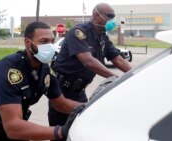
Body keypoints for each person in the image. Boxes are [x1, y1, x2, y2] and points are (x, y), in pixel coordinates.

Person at [0, 21, 85, 141]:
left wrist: (89, 107)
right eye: (43, 41)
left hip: (14, 131)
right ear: (28, 42)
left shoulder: (44, 69)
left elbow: (61, 104)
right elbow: (13, 127)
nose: (49, 46)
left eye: (51, 41)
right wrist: (60, 131)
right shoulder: (10, 68)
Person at [49, 2, 132, 135]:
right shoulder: (79, 32)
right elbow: (88, 61)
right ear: (96, 16)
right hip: (62, 90)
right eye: (109, 16)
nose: (112, 20)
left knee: (81, 129)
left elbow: (118, 59)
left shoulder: (103, 37)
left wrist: (135, 75)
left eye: (113, 17)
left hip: (79, 91)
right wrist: (116, 79)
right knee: (60, 133)